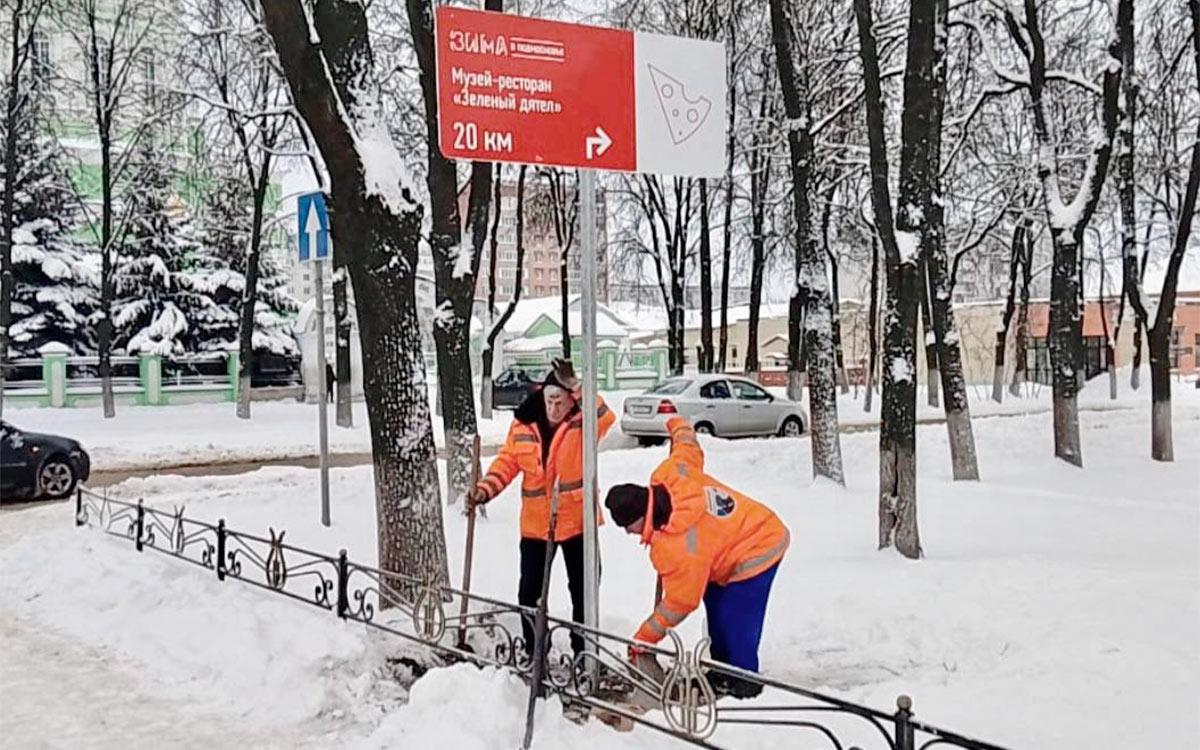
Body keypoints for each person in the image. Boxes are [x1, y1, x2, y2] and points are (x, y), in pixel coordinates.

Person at [604, 416, 789, 698]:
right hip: (722, 548)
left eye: (630, 527)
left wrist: (645, 637)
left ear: (643, 516)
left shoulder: (679, 546)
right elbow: (686, 449)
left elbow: (680, 602)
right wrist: (678, 426)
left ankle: (744, 680)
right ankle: (722, 671)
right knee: (715, 607)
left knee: (734, 614)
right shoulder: (670, 474)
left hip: (758, 543)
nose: (631, 534)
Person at [469, 357, 615, 660]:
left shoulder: (582, 420)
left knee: (584, 591)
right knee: (530, 593)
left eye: (560, 400)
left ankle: (584, 651)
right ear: (541, 396)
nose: (555, 407)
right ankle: (535, 649)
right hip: (536, 524)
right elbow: (508, 462)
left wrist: (577, 385)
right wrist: (486, 489)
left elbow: (606, 417)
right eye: (550, 399)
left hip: (577, 521)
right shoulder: (523, 423)